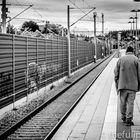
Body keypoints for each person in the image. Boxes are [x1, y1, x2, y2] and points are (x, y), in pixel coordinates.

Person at [114, 46, 140, 126]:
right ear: (133, 51)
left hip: (122, 85)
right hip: (132, 86)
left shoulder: (121, 59)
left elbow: (116, 72)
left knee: (122, 102)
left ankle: (123, 117)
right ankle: (129, 119)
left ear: (126, 51)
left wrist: (117, 83)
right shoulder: (136, 59)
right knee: (130, 103)